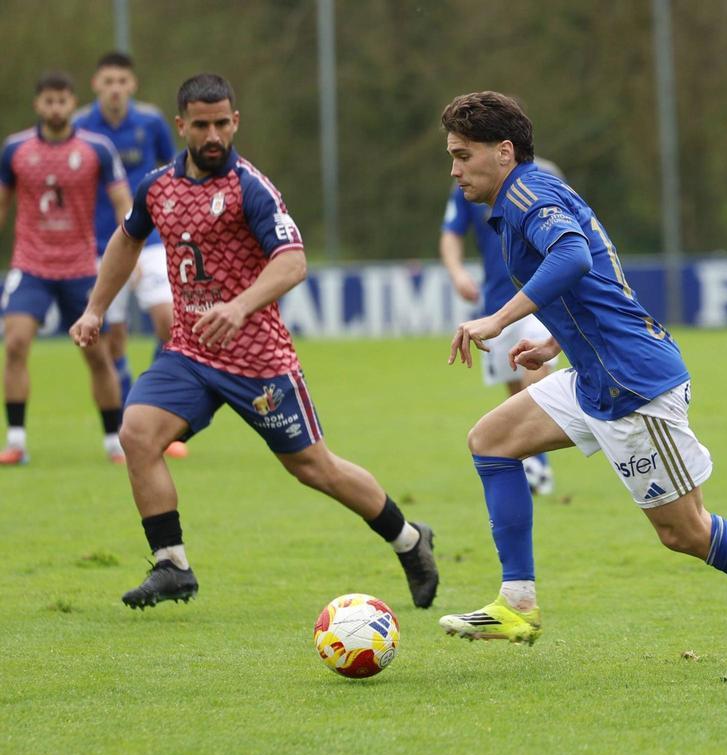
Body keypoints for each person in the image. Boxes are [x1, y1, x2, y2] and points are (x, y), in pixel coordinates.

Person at [437, 91, 727, 657]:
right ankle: (517, 604)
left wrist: (501, 318)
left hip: (634, 386)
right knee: (491, 441)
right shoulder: (522, 198)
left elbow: (573, 259)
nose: (455, 170)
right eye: (452, 156)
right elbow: (599, 287)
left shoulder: (531, 198)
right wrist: (553, 342)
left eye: (464, 155)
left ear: (504, 152)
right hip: (595, 375)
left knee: (686, 532)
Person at [69, 74, 438, 610]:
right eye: (202, 125)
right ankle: (172, 564)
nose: (214, 134)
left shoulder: (251, 188)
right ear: (182, 126)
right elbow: (127, 240)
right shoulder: (157, 188)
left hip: (258, 359)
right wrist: (95, 307)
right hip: (192, 353)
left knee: (314, 468)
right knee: (137, 433)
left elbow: (293, 261)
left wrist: (240, 305)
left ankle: (409, 539)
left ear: (236, 121)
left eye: (223, 122)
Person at [0, 71, 129, 465]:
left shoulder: (97, 149)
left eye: (62, 101)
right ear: (38, 105)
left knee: (97, 356)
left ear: (73, 103)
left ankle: (113, 442)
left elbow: (125, 203)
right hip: (31, 265)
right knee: (16, 343)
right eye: (48, 101)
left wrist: (130, 247)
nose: (55, 108)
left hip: (80, 268)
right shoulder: (15, 150)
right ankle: (17, 441)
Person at [75, 52, 187, 459]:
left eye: (122, 80)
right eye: (108, 81)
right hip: (100, 246)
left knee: (169, 322)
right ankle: (128, 425)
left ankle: (163, 418)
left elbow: (173, 174)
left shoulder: (152, 123)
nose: (115, 88)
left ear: (132, 85)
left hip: (153, 239)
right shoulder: (81, 129)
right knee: (112, 342)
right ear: (96, 84)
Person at [439, 156, 564, 494]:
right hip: (495, 301)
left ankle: (537, 467)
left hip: (540, 294)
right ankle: (535, 461)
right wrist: (457, 272)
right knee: (514, 388)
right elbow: (450, 234)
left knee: (534, 368)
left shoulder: (545, 175)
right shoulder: (468, 182)